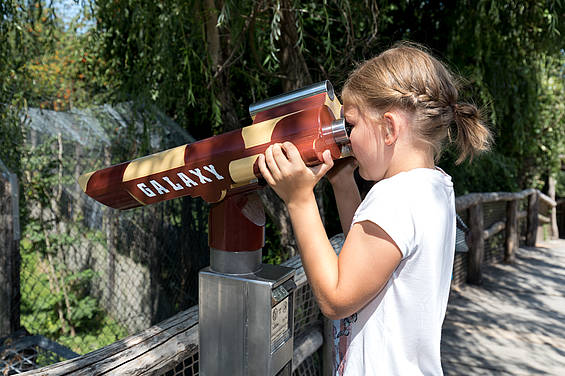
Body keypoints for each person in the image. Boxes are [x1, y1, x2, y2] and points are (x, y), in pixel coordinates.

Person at [257, 42, 492, 375]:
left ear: (389, 128)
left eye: (350, 126)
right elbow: (370, 254)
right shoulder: (433, 187)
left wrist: (299, 200)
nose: (346, 139)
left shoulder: (395, 197)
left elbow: (336, 298)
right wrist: (342, 183)